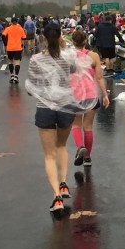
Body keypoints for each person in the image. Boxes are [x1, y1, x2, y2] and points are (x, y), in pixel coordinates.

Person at [25, 22, 87, 214]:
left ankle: (56, 197)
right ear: (61, 36)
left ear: (42, 37)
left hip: (45, 107)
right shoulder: (68, 58)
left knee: (49, 154)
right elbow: (77, 73)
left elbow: (31, 87)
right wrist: (65, 47)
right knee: (62, 146)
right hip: (66, 105)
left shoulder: (36, 59)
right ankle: (64, 183)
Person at [69, 29, 110, 168]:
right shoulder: (94, 56)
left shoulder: (69, 56)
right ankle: (87, 158)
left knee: (75, 124)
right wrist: (105, 94)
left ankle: (80, 147)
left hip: (75, 95)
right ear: (86, 41)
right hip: (91, 94)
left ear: (73, 41)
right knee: (88, 126)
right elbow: (99, 77)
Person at [2, 17, 27, 84]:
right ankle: (16, 77)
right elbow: (24, 37)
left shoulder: (8, 28)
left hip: (9, 48)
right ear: (17, 21)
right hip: (18, 48)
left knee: (10, 61)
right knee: (17, 62)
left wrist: (6, 43)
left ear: (11, 22)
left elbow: (3, 35)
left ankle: (12, 75)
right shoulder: (20, 29)